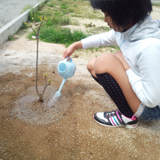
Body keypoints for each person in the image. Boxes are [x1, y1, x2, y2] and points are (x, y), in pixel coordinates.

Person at [63, 0, 160, 129]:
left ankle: (127, 117)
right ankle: (126, 103)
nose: (105, 20)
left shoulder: (149, 47)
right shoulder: (127, 30)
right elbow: (102, 38)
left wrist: (126, 66)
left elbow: (151, 100)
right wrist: (75, 45)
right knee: (93, 64)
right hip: (139, 91)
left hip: (151, 109)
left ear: (127, 13)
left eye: (107, 15)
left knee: (105, 61)